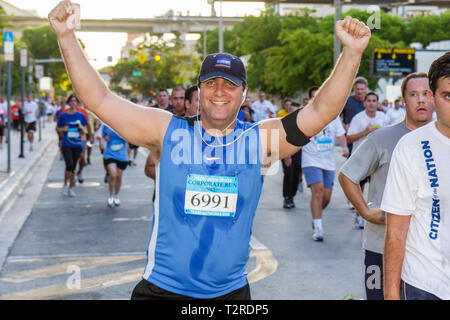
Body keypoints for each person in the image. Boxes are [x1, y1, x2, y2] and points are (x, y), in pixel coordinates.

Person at [49, 1, 371, 299]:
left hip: (230, 295)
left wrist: (352, 53)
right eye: (211, 83)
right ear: (199, 91)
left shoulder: (259, 142)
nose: (220, 91)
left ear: (243, 94)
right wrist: (66, 36)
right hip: (162, 290)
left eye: (230, 84)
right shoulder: (167, 131)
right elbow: (101, 100)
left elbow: (320, 113)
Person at [338, 72, 433, 300]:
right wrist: (366, 212)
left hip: (428, 254)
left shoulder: (443, 141)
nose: (420, 100)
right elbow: (347, 175)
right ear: (403, 101)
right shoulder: (382, 138)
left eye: (426, 94)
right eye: (413, 94)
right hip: (380, 246)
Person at [381, 52, 450, 300]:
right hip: (425, 284)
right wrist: (391, 295)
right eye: (448, 96)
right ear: (432, 97)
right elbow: (396, 230)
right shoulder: (411, 147)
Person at [302, 86, 349, 241]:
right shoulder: (305, 115)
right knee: (318, 191)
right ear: (311, 99)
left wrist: (344, 147)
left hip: (328, 161)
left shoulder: (333, 115)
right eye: (314, 96)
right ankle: (318, 228)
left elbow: (341, 134)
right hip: (311, 159)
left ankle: (316, 216)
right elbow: (295, 136)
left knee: (326, 197)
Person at [346, 92, 386, 228]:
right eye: (368, 101)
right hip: (361, 160)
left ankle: (376, 215)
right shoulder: (358, 118)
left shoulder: (383, 117)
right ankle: (359, 215)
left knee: (377, 190)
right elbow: (349, 138)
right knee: (360, 190)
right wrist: (365, 131)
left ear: (377, 103)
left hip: (379, 159)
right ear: (364, 103)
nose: (371, 103)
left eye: (374, 101)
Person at [56, 94, 87, 197]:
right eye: (72, 101)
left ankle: (71, 187)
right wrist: (62, 130)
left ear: (77, 103)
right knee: (69, 164)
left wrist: (81, 128)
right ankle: (65, 184)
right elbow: (57, 128)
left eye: (75, 101)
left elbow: (84, 132)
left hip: (77, 144)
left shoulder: (81, 116)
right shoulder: (63, 116)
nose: (73, 103)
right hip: (66, 143)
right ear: (68, 103)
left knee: (73, 166)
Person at [103, 123, 128, 207]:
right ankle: (110, 196)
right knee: (113, 175)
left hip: (122, 155)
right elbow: (104, 135)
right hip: (110, 154)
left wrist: (125, 136)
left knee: (119, 176)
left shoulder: (124, 125)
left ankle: (116, 195)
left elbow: (131, 138)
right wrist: (105, 138)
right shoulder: (106, 125)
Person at [342, 76, 368, 154]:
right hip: (351, 136)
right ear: (354, 88)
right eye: (358, 89)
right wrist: (344, 125)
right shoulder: (347, 101)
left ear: (366, 89)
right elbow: (336, 117)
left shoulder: (369, 102)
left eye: (362, 89)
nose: (360, 91)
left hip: (365, 136)